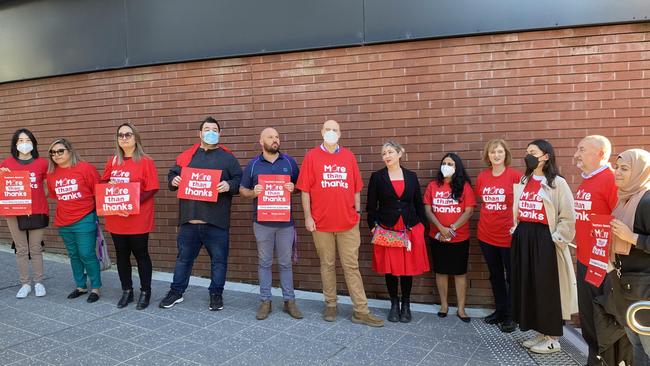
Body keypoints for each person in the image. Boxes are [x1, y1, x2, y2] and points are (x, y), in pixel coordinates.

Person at [296, 119, 383, 327]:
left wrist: (358, 212)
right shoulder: (311, 156)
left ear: (340, 133)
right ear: (321, 132)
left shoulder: (349, 156)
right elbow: (305, 190)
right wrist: (308, 216)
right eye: (328, 129)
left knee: (351, 266)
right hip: (321, 223)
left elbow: (356, 188)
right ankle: (331, 304)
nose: (331, 132)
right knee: (327, 265)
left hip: (348, 223)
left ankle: (361, 311)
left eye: (335, 129)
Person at [159, 117, 242, 311]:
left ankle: (216, 294)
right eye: (207, 129)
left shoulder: (228, 158)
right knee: (183, 260)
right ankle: (176, 292)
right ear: (200, 133)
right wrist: (174, 180)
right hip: (190, 220)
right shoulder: (188, 156)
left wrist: (229, 185)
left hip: (217, 222)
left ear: (219, 134)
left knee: (219, 261)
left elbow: (239, 180)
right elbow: (171, 176)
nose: (210, 132)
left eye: (214, 129)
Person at [511, 139, 577, 354]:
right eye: (526, 151)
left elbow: (568, 217)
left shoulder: (558, 183)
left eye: (533, 152)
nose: (528, 155)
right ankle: (540, 332)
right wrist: (516, 229)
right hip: (524, 237)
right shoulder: (524, 180)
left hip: (544, 239)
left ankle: (552, 338)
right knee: (529, 285)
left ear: (546, 156)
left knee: (547, 288)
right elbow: (519, 208)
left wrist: (556, 239)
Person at [239, 127, 303, 320]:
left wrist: (294, 188)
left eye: (277, 137)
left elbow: (301, 187)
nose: (275, 140)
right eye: (270, 137)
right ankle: (265, 301)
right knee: (264, 262)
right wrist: (253, 193)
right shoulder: (253, 164)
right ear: (261, 141)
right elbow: (242, 189)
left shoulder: (289, 162)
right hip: (262, 223)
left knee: (285, 263)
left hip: (285, 222)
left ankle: (289, 301)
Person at [366, 140, 429, 323]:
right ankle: (394, 304)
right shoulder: (377, 177)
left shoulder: (411, 176)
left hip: (409, 227)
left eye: (390, 152)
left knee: (407, 268)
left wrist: (422, 225)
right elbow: (371, 206)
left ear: (400, 153)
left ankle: (406, 305)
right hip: (388, 228)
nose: (387, 156)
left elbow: (418, 203)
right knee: (391, 268)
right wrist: (373, 226)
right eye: (384, 153)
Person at [101, 122, 159, 310]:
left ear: (136, 138)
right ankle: (127, 291)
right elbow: (103, 184)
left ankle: (145, 291)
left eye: (128, 134)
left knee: (141, 254)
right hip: (116, 217)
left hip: (137, 217)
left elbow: (151, 189)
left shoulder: (146, 161)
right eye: (120, 135)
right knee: (121, 255)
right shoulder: (112, 161)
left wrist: (131, 203)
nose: (124, 138)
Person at [572, 135, 618, 365]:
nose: (576, 155)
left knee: (603, 319)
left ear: (600, 153)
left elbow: (620, 222)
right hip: (585, 261)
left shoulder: (610, 180)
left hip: (604, 266)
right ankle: (594, 358)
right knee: (588, 317)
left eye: (582, 149)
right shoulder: (588, 180)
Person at [46, 138, 102, 303]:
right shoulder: (51, 174)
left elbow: (97, 191)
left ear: (70, 151)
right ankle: (81, 286)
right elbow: (56, 196)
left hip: (85, 218)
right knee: (74, 255)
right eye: (53, 152)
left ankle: (96, 287)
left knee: (87, 254)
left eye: (60, 151)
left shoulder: (86, 169)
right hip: (63, 221)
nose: (56, 155)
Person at [475, 139, 521, 332]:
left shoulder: (515, 176)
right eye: (493, 152)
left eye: (500, 152)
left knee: (512, 276)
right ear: (488, 155)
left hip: (508, 236)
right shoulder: (482, 177)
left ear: (505, 154)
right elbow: (482, 201)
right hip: (486, 234)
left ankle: (512, 315)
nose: (496, 155)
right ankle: (500, 310)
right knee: (495, 276)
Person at [423, 153, 476, 323]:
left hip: (459, 238)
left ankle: (461, 308)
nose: (446, 166)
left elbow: (469, 211)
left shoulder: (464, 187)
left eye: (451, 163)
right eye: (444, 163)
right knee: (441, 271)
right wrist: (440, 228)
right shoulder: (433, 186)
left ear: (457, 167)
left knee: (459, 273)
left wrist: (451, 229)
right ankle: (444, 305)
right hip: (437, 236)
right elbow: (428, 209)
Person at [609, 149, 650, 365]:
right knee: (637, 348)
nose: (617, 172)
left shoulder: (647, 201)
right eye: (617, 167)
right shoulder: (625, 199)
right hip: (627, 291)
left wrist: (631, 237)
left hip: (644, 294)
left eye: (624, 168)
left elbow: (630, 237)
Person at [0, 129, 49, 298]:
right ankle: (25, 283)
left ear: (33, 143)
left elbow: (46, 189)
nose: (24, 143)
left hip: (37, 210)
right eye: (20, 140)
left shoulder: (42, 163)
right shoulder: (6, 164)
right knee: (21, 249)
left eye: (27, 139)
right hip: (14, 212)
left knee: (35, 248)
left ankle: (39, 282)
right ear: (15, 144)